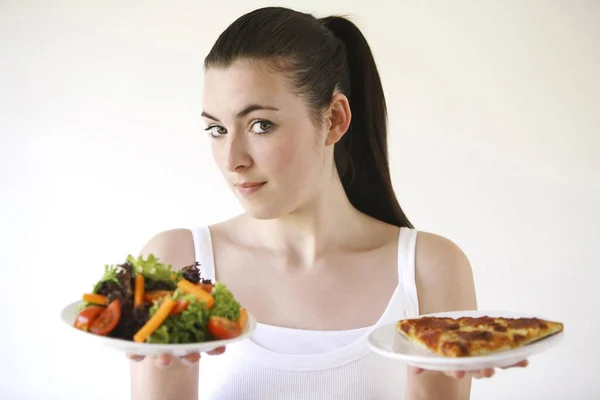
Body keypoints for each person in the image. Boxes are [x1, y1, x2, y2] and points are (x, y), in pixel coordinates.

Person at [128, 6, 528, 400]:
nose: (233, 159)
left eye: (260, 125)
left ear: (335, 119)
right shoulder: (176, 263)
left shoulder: (429, 269)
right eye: (216, 129)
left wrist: (436, 371)